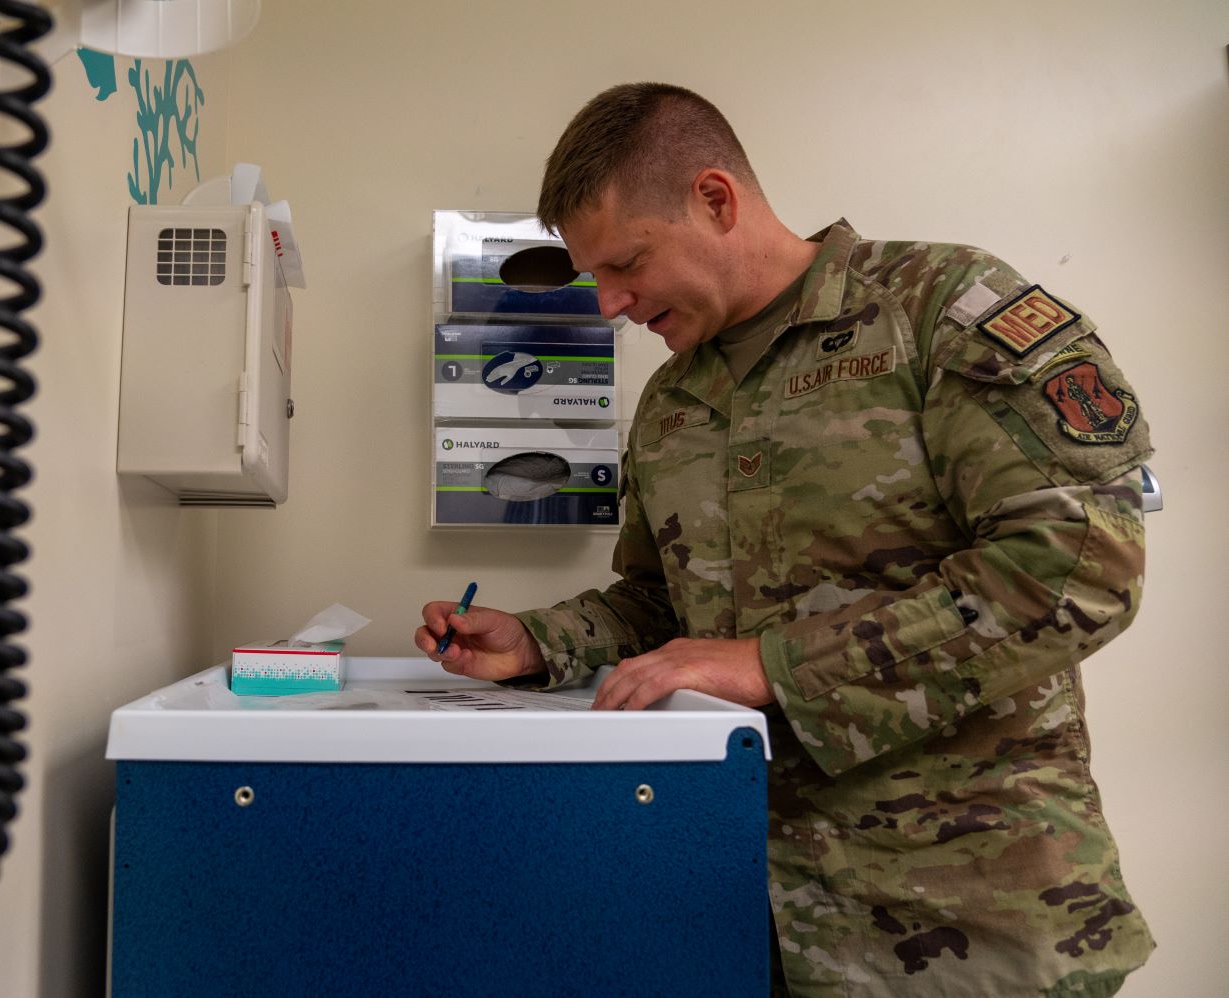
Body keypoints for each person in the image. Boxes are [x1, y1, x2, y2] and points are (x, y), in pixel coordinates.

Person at [415, 82, 1155, 997]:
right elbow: (661, 606)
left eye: (625, 264)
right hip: (736, 914)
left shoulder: (936, 310)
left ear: (716, 200)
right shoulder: (672, 403)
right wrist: (539, 641)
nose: (607, 306)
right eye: (591, 277)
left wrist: (776, 667)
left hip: (964, 929)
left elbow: (1080, 564)